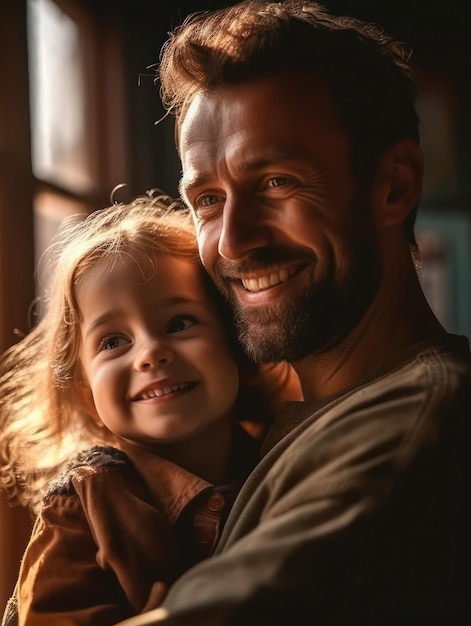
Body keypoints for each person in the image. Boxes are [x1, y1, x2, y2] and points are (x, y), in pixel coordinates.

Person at [113, 1, 470, 625]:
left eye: (276, 182)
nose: (232, 242)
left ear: (395, 185)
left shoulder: (417, 422)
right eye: (208, 200)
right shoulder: (274, 422)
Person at [0, 192, 300, 626]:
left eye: (180, 324)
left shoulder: (290, 458)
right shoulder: (84, 505)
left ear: (239, 344)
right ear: (85, 387)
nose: (150, 354)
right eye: (113, 342)